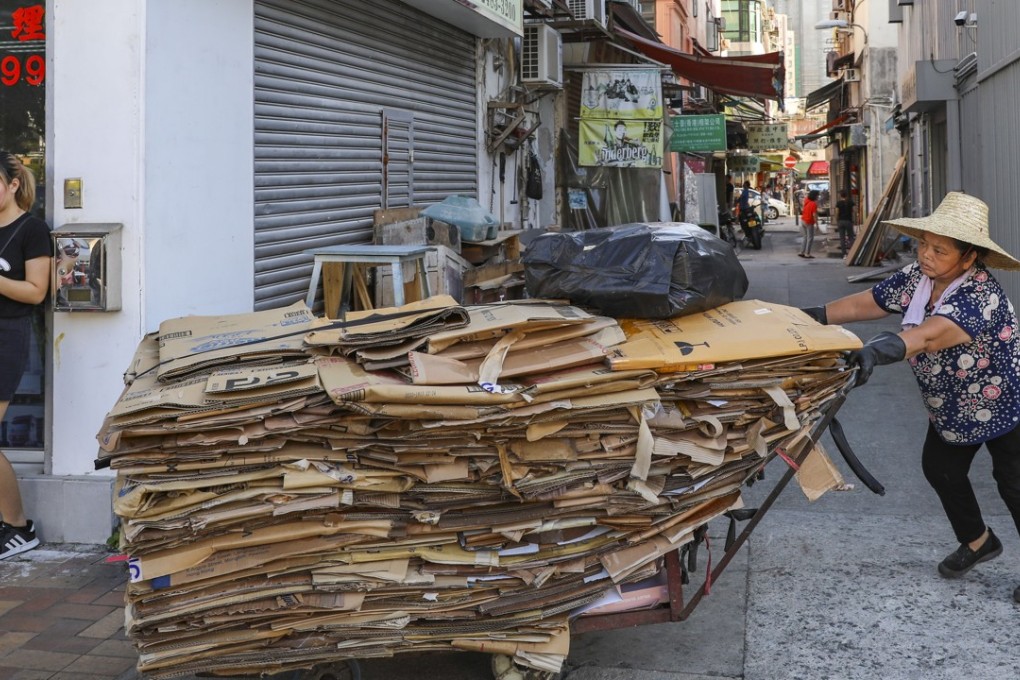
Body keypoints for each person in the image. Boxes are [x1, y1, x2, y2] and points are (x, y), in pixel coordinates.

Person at [800, 192, 1020, 604]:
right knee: (940, 469)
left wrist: (874, 351)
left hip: (1006, 402)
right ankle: (978, 542)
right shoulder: (918, 278)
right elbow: (867, 302)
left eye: (940, 249)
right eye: (923, 243)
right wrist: (810, 317)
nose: (926, 254)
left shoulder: (979, 297)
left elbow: (927, 335)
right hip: (954, 407)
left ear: (969, 257)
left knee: (1014, 484)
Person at [0, 151, 50, 560]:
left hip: (7, 335)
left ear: (13, 184)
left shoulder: (32, 230)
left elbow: (36, 292)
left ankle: (19, 527)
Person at [799, 189, 819, 258]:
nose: (818, 197)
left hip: (803, 220)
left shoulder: (806, 201)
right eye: (817, 195)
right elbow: (814, 215)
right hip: (809, 221)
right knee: (810, 238)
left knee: (805, 237)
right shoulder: (813, 204)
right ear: (815, 196)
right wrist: (817, 224)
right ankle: (807, 253)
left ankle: (802, 252)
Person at [835, 190, 855, 257]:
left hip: (841, 221)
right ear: (846, 195)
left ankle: (844, 254)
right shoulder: (850, 202)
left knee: (842, 238)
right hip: (848, 221)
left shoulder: (838, 203)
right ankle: (852, 253)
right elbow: (854, 211)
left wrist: (837, 220)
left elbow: (837, 213)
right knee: (851, 237)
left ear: (840, 196)